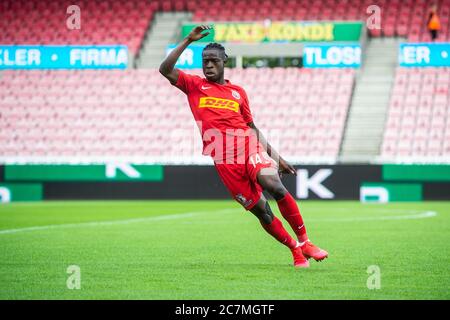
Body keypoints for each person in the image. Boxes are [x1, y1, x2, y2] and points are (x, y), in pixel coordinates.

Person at [159, 25, 328, 268]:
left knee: (274, 186)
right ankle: (295, 249)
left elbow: (251, 126)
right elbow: (165, 69)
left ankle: (306, 241)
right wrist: (188, 39)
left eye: (213, 61)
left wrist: (276, 157)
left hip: (248, 147)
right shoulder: (194, 85)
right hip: (223, 159)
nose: (208, 65)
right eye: (205, 61)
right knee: (263, 211)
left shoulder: (238, 92)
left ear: (223, 62)